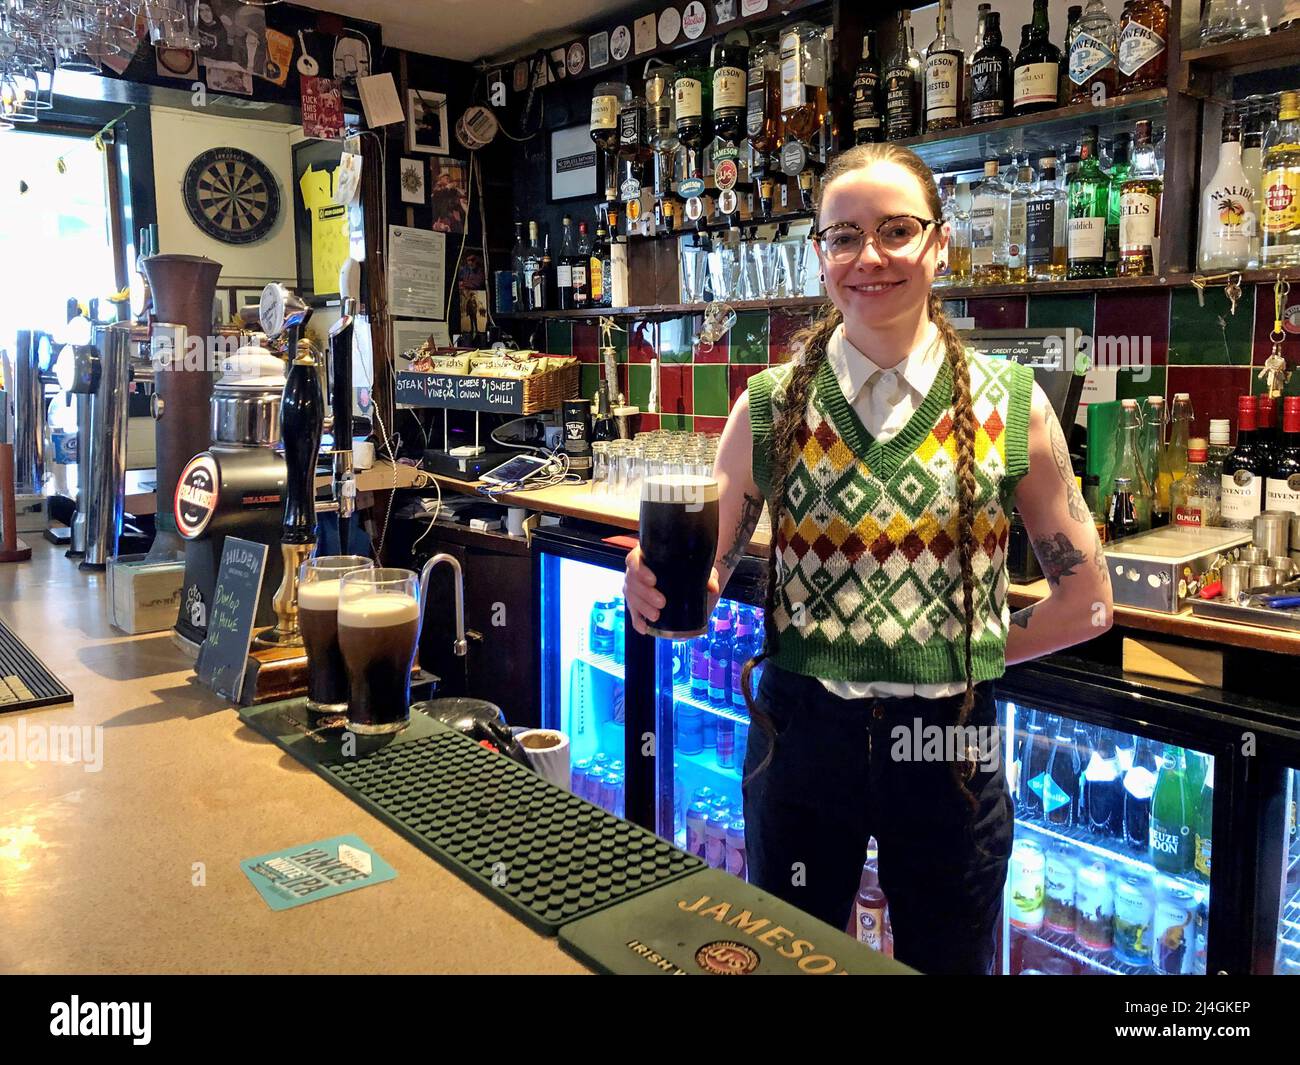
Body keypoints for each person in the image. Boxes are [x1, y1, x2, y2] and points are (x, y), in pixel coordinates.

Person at [623, 142, 1113, 975]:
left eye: (896, 230)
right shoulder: (770, 405)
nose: (870, 256)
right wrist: (654, 595)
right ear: (820, 256)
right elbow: (700, 582)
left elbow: (1089, 602)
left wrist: (973, 651)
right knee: (785, 961)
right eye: (844, 236)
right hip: (805, 735)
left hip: (946, 746)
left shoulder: (1012, 406)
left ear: (939, 245)